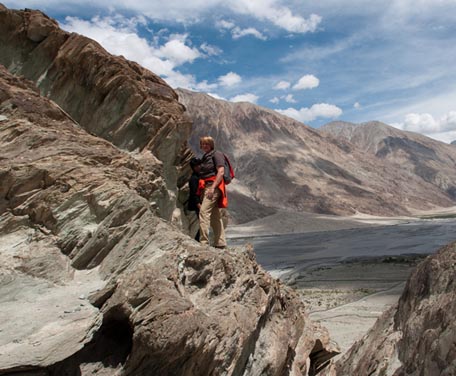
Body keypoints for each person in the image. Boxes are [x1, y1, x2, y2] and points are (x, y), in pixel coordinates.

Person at [198, 136, 227, 249]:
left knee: (203, 212)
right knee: (215, 216)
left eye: (207, 144)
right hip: (208, 187)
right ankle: (220, 243)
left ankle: (204, 242)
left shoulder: (217, 154)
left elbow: (221, 171)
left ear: (211, 145)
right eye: (203, 144)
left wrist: (213, 188)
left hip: (212, 187)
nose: (204, 146)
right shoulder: (205, 157)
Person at [187, 157, 202, 241]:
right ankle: (197, 240)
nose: (198, 167)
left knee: (203, 223)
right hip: (197, 204)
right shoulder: (194, 179)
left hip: (200, 203)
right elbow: (194, 193)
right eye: (196, 166)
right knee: (203, 223)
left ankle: (198, 240)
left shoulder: (199, 176)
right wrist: (198, 204)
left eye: (199, 165)